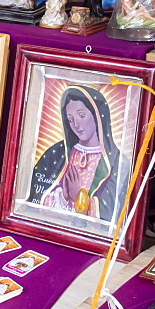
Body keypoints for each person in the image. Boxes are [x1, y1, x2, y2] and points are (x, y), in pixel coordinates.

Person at [29, 85, 122, 220]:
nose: (76, 125)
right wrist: (63, 196)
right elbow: (33, 201)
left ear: (97, 115)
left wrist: (78, 196)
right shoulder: (57, 152)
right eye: (70, 119)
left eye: (82, 115)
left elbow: (112, 214)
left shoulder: (116, 162)